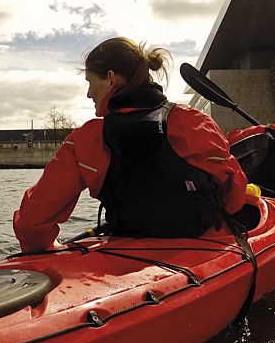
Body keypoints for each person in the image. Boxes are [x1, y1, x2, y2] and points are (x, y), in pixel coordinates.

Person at [13, 38, 249, 252]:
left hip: (126, 257)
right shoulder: (196, 123)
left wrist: (45, 250)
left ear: (111, 79)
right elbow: (234, 195)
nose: (88, 93)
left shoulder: (86, 140)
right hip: (203, 252)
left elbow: (33, 219)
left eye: (90, 82)